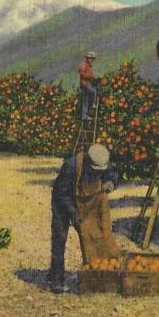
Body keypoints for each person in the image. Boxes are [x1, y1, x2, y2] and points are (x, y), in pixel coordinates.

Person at [47, 143, 119, 294]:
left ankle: (98, 272)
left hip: (87, 202)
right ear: (88, 161)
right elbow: (62, 194)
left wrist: (110, 182)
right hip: (63, 202)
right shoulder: (71, 166)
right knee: (59, 238)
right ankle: (56, 279)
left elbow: (112, 174)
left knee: (96, 232)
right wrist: (74, 214)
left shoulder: (101, 159)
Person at [78, 51, 98, 120]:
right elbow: (82, 74)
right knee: (93, 92)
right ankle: (93, 104)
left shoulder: (88, 66)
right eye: (91, 58)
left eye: (92, 59)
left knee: (85, 100)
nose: (92, 60)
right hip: (85, 84)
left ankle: (84, 116)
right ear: (87, 58)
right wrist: (90, 77)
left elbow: (90, 75)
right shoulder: (84, 65)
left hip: (86, 84)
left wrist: (93, 78)